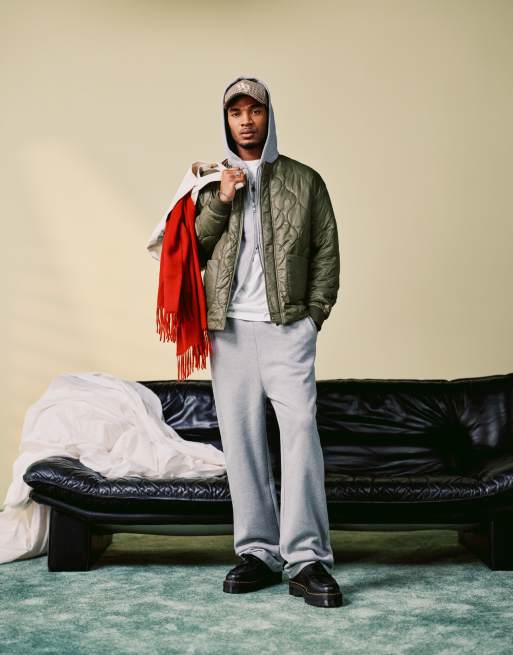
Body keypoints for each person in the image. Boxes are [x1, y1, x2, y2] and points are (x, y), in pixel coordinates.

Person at [194, 76, 342, 608]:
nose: (246, 121)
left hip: (287, 328)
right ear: (226, 121)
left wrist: (311, 319)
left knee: (300, 433)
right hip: (229, 330)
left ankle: (307, 559)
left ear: (268, 115)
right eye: (235, 112)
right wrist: (221, 199)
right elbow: (191, 250)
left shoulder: (306, 180)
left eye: (254, 110)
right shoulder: (210, 182)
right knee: (241, 441)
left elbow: (326, 253)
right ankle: (257, 551)